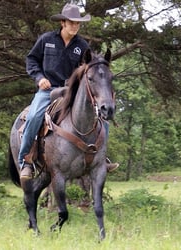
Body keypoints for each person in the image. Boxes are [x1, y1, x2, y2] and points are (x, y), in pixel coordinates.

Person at [19, 4, 119, 179]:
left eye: (78, 24)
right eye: (72, 23)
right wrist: (39, 78)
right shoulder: (46, 39)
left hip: (70, 92)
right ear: (63, 22)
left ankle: (101, 158)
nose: (75, 26)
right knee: (34, 116)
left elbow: (89, 70)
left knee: (103, 120)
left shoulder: (82, 45)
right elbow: (32, 60)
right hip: (47, 90)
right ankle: (26, 161)